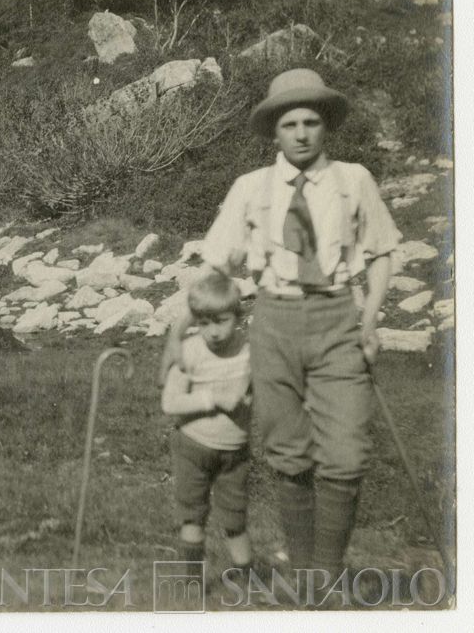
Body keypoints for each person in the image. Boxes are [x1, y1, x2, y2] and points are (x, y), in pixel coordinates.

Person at [161, 68, 400, 588]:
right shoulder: (251, 188)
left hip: (339, 319)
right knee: (288, 452)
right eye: (289, 124)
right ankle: (307, 581)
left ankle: (326, 576)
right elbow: (216, 265)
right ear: (274, 131)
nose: (301, 133)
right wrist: (181, 330)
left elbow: (382, 252)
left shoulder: (354, 180)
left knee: (347, 454)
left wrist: (370, 320)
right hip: (274, 321)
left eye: (311, 121)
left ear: (325, 126)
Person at [161, 272, 253, 577]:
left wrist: (251, 396)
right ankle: (192, 583)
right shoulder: (190, 351)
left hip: (234, 450)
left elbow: (262, 389)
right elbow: (169, 403)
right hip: (193, 446)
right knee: (193, 515)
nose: (213, 332)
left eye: (221, 321)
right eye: (203, 323)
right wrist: (212, 398)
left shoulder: (249, 351)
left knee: (236, 518)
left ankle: (247, 582)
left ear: (237, 316)